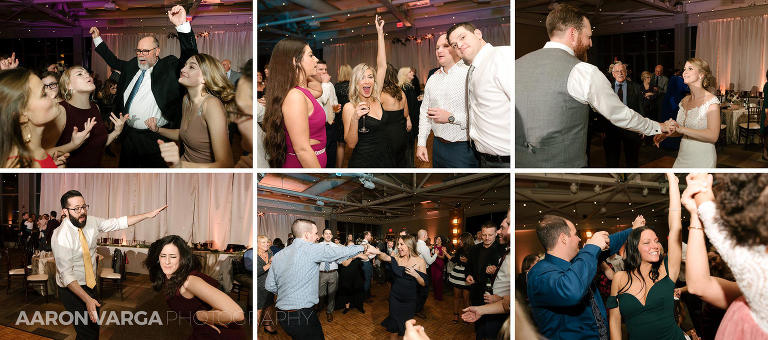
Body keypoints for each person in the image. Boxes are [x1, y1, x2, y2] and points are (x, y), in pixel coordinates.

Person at [515, 4, 670, 168]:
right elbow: (619, 114)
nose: (590, 43)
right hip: (564, 171)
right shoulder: (584, 71)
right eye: (588, 36)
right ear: (573, 34)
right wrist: (658, 126)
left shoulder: (516, 65)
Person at [90, 5, 198, 167]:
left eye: (146, 51)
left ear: (157, 51)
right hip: (128, 136)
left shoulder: (168, 67)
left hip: (155, 137)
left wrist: (182, 25)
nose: (141, 55)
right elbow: (114, 62)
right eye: (138, 51)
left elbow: (190, 56)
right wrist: (97, 39)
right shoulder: (133, 65)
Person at [51, 190, 167, 340]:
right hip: (72, 289)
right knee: (87, 333)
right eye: (76, 209)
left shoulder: (91, 221)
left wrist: (147, 215)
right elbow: (66, 276)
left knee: (92, 330)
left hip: (90, 284)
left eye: (84, 207)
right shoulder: (61, 236)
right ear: (65, 211)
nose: (82, 212)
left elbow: (118, 222)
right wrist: (87, 300)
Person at [527, 214, 644, 340]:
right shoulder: (539, 274)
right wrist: (591, 247)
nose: (579, 239)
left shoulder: (577, 261)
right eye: (575, 234)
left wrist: (633, 229)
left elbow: (611, 243)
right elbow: (571, 291)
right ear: (563, 238)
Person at [681, 173, 768, 339]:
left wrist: (703, 198)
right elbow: (699, 285)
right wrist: (695, 216)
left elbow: (722, 236)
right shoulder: (752, 286)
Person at [265, 219, 380, 339]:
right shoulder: (312, 249)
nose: (317, 236)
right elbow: (342, 251)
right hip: (302, 314)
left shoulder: (278, 255)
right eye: (315, 233)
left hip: (283, 315)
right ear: (307, 235)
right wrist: (364, 246)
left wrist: (288, 294)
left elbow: (270, 285)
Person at [607, 173, 685, 340]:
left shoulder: (668, 268)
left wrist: (673, 183)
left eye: (656, 241)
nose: (655, 246)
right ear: (635, 248)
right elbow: (614, 320)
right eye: (647, 242)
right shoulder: (620, 278)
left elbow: (675, 227)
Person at [145, 235, 245, 339]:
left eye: (173, 256)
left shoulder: (190, 281)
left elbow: (237, 314)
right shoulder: (170, 278)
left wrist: (201, 316)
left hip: (219, 334)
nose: (167, 261)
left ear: (182, 258)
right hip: (202, 331)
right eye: (163, 256)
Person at [149, 53, 235, 168]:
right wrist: (157, 129)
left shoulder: (211, 105)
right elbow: (185, 134)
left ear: (204, 78)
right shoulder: (186, 100)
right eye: (185, 65)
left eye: (191, 67)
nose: (182, 69)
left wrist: (181, 166)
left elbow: (226, 164)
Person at [343, 16, 407, 168]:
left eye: (370, 77)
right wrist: (355, 119)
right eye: (362, 78)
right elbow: (351, 144)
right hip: (364, 162)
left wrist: (380, 33)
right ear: (355, 83)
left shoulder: (376, 96)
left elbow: (382, 65)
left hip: (386, 158)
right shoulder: (350, 107)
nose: (367, 81)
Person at [447, 22, 512, 167]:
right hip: (485, 158)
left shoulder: (500, 56)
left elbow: (524, 104)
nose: (459, 45)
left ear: (478, 34)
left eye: (462, 37)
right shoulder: (476, 68)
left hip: (507, 160)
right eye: (454, 45)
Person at [43, 66, 128, 167]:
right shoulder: (61, 110)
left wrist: (116, 132)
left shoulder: (95, 107)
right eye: (80, 74)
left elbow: (98, 145)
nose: (87, 75)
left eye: (87, 73)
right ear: (68, 85)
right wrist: (72, 145)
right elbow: (42, 154)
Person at [262, 38, 326, 168]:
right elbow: (302, 149)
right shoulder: (295, 96)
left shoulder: (302, 90)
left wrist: (303, 73)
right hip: (303, 165)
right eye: (311, 55)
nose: (316, 59)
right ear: (295, 61)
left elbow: (318, 90)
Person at [416, 34, 476, 168]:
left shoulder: (470, 74)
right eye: (437, 48)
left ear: (456, 48)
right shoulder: (433, 79)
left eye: (445, 46)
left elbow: (479, 117)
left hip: (463, 148)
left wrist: (451, 118)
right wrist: (421, 143)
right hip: (438, 147)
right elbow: (424, 112)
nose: (439, 50)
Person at [654, 58, 720, 168]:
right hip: (683, 155)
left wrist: (681, 129)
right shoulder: (684, 101)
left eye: (690, 68)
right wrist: (666, 134)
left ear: (701, 75)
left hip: (703, 157)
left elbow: (713, 136)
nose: (684, 72)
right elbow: (681, 131)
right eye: (684, 69)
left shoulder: (711, 102)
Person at [1, 68, 70, 168]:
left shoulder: (37, 150)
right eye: (43, 94)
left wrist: (54, 167)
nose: (53, 94)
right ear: (22, 115)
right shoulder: (18, 165)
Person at [376, 234, 429, 339]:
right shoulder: (396, 258)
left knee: (406, 327)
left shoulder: (420, 261)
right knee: (394, 327)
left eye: (401, 244)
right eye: (398, 244)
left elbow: (423, 283)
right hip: (395, 298)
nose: (398, 247)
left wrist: (416, 275)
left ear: (409, 245)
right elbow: (384, 257)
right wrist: (377, 252)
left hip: (409, 301)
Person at [601, 61, 646, 168]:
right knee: (612, 159)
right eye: (617, 71)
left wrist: (643, 126)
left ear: (626, 73)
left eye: (622, 71)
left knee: (632, 159)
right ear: (613, 74)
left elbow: (641, 108)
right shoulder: (607, 89)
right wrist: (602, 129)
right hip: (612, 128)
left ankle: (632, 177)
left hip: (631, 127)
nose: (620, 73)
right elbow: (602, 109)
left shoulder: (636, 87)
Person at [465, 222, 505, 339]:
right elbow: (469, 266)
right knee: (478, 324)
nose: (487, 238)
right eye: (484, 235)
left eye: (490, 235)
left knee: (490, 327)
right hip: (476, 292)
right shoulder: (474, 248)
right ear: (480, 234)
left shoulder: (502, 249)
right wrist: (468, 275)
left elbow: (506, 274)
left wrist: (496, 270)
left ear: (495, 234)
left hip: (492, 294)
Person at [314, 61, 340, 168]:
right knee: (322, 155)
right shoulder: (313, 86)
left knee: (332, 154)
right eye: (321, 69)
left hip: (331, 124)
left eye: (325, 69)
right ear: (314, 70)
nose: (324, 72)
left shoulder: (330, 85)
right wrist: (324, 83)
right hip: (320, 127)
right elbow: (323, 100)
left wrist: (336, 109)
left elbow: (334, 100)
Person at [448, 232, 475, 323]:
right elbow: (455, 260)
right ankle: (455, 315)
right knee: (456, 297)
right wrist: (445, 253)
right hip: (458, 275)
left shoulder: (474, 249)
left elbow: (476, 264)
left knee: (466, 298)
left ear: (466, 240)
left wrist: (468, 261)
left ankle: (467, 316)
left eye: (460, 240)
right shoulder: (459, 250)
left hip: (467, 275)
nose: (459, 241)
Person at [317, 228, 341, 322]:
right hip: (322, 273)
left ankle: (329, 311)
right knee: (320, 294)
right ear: (323, 235)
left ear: (332, 236)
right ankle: (319, 309)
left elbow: (339, 259)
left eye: (330, 233)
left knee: (332, 294)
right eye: (326, 233)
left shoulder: (336, 247)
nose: (328, 235)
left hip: (333, 273)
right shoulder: (318, 246)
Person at [256, 235, 277, 335]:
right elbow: (256, 272)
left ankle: (267, 325)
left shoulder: (270, 252)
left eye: (267, 242)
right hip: (259, 285)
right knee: (259, 309)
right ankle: (255, 333)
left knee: (269, 306)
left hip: (270, 284)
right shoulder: (254, 255)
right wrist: (269, 264)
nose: (266, 244)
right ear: (257, 244)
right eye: (263, 242)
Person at [399, 66, 420, 166]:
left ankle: (409, 165)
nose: (412, 73)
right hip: (410, 120)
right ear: (405, 75)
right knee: (409, 146)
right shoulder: (406, 88)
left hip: (409, 119)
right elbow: (407, 106)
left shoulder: (405, 87)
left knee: (409, 146)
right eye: (410, 72)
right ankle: (410, 166)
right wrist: (409, 120)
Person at [415, 229, 438, 317]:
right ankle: (418, 310)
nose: (427, 237)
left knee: (417, 291)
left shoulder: (415, 244)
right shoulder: (424, 247)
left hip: (415, 270)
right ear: (424, 236)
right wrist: (436, 254)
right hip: (423, 271)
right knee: (424, 292)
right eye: (427, 235)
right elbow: (429, 262)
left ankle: (416, 307)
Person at [333, 64, 352, 167]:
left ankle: (339, 169)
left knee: (340, 144)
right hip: (351, 117)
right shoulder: (353, 87)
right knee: (354, 144)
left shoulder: (335, 86)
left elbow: (333, 105)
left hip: (339, 118)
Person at [430, 235, 450, 301]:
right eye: (436, 239)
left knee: (438, 280)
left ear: (441, 241)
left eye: (438, 239)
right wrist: (431, 255)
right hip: (433, 264)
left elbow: (443, 257)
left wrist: (437, 254)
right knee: (434, 280)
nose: (437, 240)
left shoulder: (443, 247)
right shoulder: (434, 247)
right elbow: (430, 254)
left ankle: (439, 296)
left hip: (439, 264)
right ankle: (435, 295)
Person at [762, 70, 768, 161]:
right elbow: (766, 103)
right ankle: (765, 153)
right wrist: (767, 117)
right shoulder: (767, 86)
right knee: (767, 135)